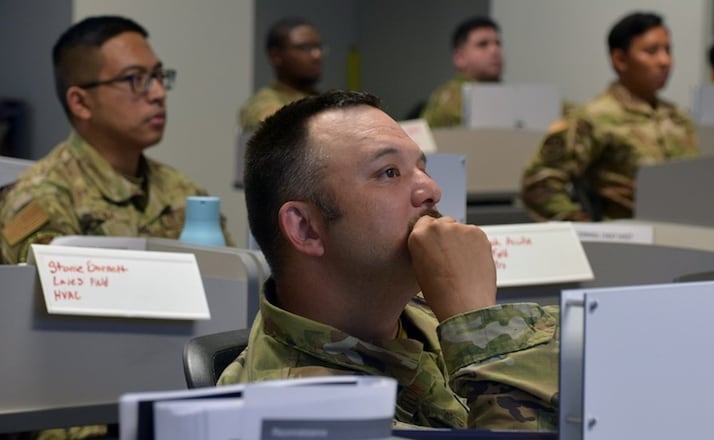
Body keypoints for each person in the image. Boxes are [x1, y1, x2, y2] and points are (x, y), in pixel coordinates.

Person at [218, 90, 559, 431]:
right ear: (305, 228)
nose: (431, 189)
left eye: (421, 168)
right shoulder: (293, 414)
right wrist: (479, 325)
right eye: (390, 172)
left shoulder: (421, 307)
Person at [0, 15, 233, 265]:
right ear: (81, 103)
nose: (158, 93)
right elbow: (49, 287)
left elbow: (232, 280)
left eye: (158, 75)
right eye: (135, 79)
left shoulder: (183, 192)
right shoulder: (41, 199)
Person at [520, 11, 698, 221]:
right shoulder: (593, 117)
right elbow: (540, 184)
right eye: (652, 51)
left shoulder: (678, 116)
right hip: (626, 234)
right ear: (620, 59)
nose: (665, 61)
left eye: (668, 50)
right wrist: (584, 230)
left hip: (686, 231)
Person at [238, 17, 323, 133]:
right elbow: (275, 123)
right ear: (276, 56)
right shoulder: (262, 102)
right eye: (304, 48)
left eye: (318, 47)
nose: (317, 55)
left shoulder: (320, 98)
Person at [420, 16, 503, 128]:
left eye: (498, 44)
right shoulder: (448, 100)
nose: (494, 50)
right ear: (460, 57)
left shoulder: (507, 97)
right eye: (483, 44)